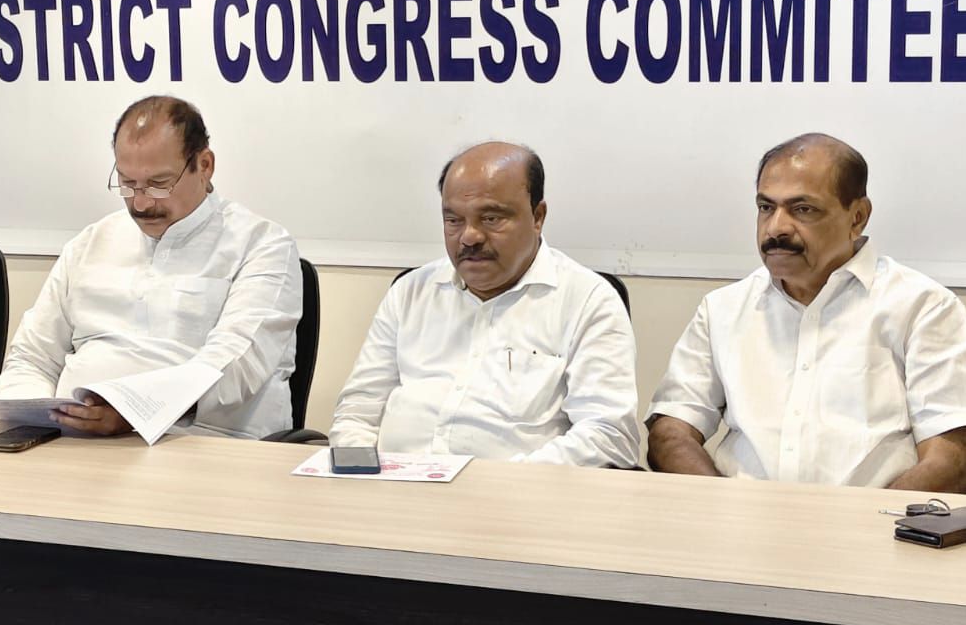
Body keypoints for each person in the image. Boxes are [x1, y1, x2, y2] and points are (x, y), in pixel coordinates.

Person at [647, 133, 966, 490]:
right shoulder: (723, 309)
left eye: (803, 209)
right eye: (766, 207)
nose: (776, 228)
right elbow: (670, 432)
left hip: (870, 519)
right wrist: (720, 507)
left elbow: (952, 459)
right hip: (737, 515)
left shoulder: (923, 308)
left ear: (857, 217)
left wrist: (870, 521)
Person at [0, 95, 301, 439]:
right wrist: (31, 420)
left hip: (202, 446)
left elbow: (234, 366)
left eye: (159, 184)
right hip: (73, 447)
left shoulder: (262, 244)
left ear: (204, 165)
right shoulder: (90, 243)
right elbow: (32, 357)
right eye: (127, 183)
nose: (141, 204)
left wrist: (133, 411)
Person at [330, 142, 639, 468]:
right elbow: (358, 410)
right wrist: (358, 473)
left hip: (517, 493)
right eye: (453, 220)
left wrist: (499, 485)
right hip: (391, 487)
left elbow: (608, 435)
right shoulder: (410, 292)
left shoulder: (588, 300)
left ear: (537, 217)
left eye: (491, 218)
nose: (469, 237)